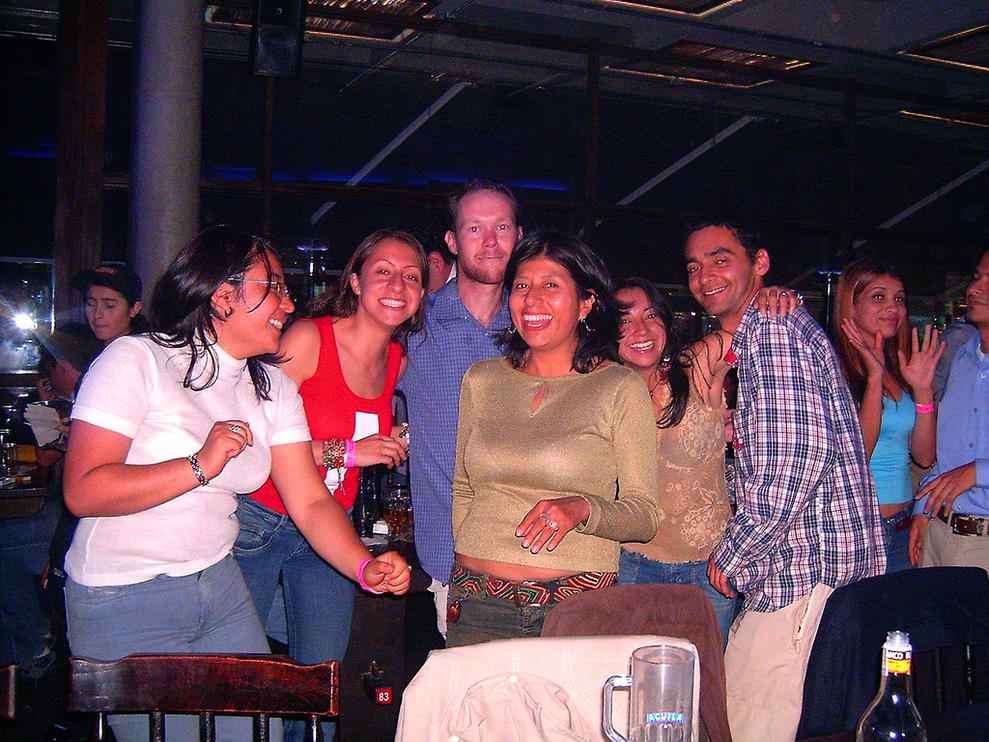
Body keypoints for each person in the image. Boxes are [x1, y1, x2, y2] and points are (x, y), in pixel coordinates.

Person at [61, 225, 411, 742]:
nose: (289, 304)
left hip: (219, 585)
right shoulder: (138, 359)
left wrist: (363, 566)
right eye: (275, 288)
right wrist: (199, 465)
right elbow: (83, 490)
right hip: (124, 594)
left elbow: (311, 501)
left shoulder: (269, 387)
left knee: (259, 731)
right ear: (223, 295)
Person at [685, 221, 885, 742]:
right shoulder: (772, 328)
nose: (704, 275)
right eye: (694, 266)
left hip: (801, 574)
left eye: (720, 259)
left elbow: (795, 461)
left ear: (760, 263)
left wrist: (735, 551)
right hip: (818, 570)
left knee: (748, 721)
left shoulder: (772, 330)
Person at [234, 229, 426, 742]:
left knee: (321, 680)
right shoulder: (308, 338)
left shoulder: (396, 361)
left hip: (327, 529)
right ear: (356, 282)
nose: (398, 285)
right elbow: (250, 439)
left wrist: (392, 440)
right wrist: (350, 451)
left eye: (411, 277)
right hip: (259, 520)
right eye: (383, 272)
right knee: (241, 676)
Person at [445, 231, 659, 647]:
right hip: (477, 603)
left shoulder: (619, 386)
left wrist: (583, 508)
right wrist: (467, 557)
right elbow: (463, 488)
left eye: (551, 286)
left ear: (586, 303)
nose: (532, 300)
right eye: (522, 286)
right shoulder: (482, 379)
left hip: (576, 607)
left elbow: (644, 516)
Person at [614, 278, 798, 645]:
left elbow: (752, 327)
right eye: (624, 320)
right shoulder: (600, 388)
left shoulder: (694, 367)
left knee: (708, 676)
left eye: (650, 316)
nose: (641, 330)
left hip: (709, 567)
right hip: (630, 565)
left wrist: (767, 295)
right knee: (634, 675)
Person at [398, 180, 522, 639]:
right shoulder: (415, 325)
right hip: (455, 563)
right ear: (452, 241)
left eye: (501, 227)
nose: (490, 241)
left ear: (519, 236)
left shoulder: (540, 325)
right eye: (475, 228)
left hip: (543, 559)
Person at [0, 324, 102, 682]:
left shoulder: (90, 398)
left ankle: (31, 649)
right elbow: (46, 457)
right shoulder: (76, 399)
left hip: (73, 521)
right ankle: (26, 650)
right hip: (65, 515)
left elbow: (47, 459)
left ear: (61, 366)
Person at [833, 258, 941, 573]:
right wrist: (874, 378)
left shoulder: (900, 368)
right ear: (851, 306)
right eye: (878, 297)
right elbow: (857, 455)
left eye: (899, 299)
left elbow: (924, 456)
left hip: (903, 524)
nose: (893, 307)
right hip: (856, 526)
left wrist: (923, 391)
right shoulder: (833, 369)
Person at [910, 249, 989, 575]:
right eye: (977, 277)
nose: (975, 288)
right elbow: (946, 456)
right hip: (939, 531)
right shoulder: (963, 357)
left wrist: (978, 472)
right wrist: (922, 509)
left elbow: (966, 469)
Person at [71, 263, 148, 344]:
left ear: (135, 309)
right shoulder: (81, 343)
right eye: (91, 304)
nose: (97, 314)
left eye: (109, 306)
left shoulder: (138, 347)